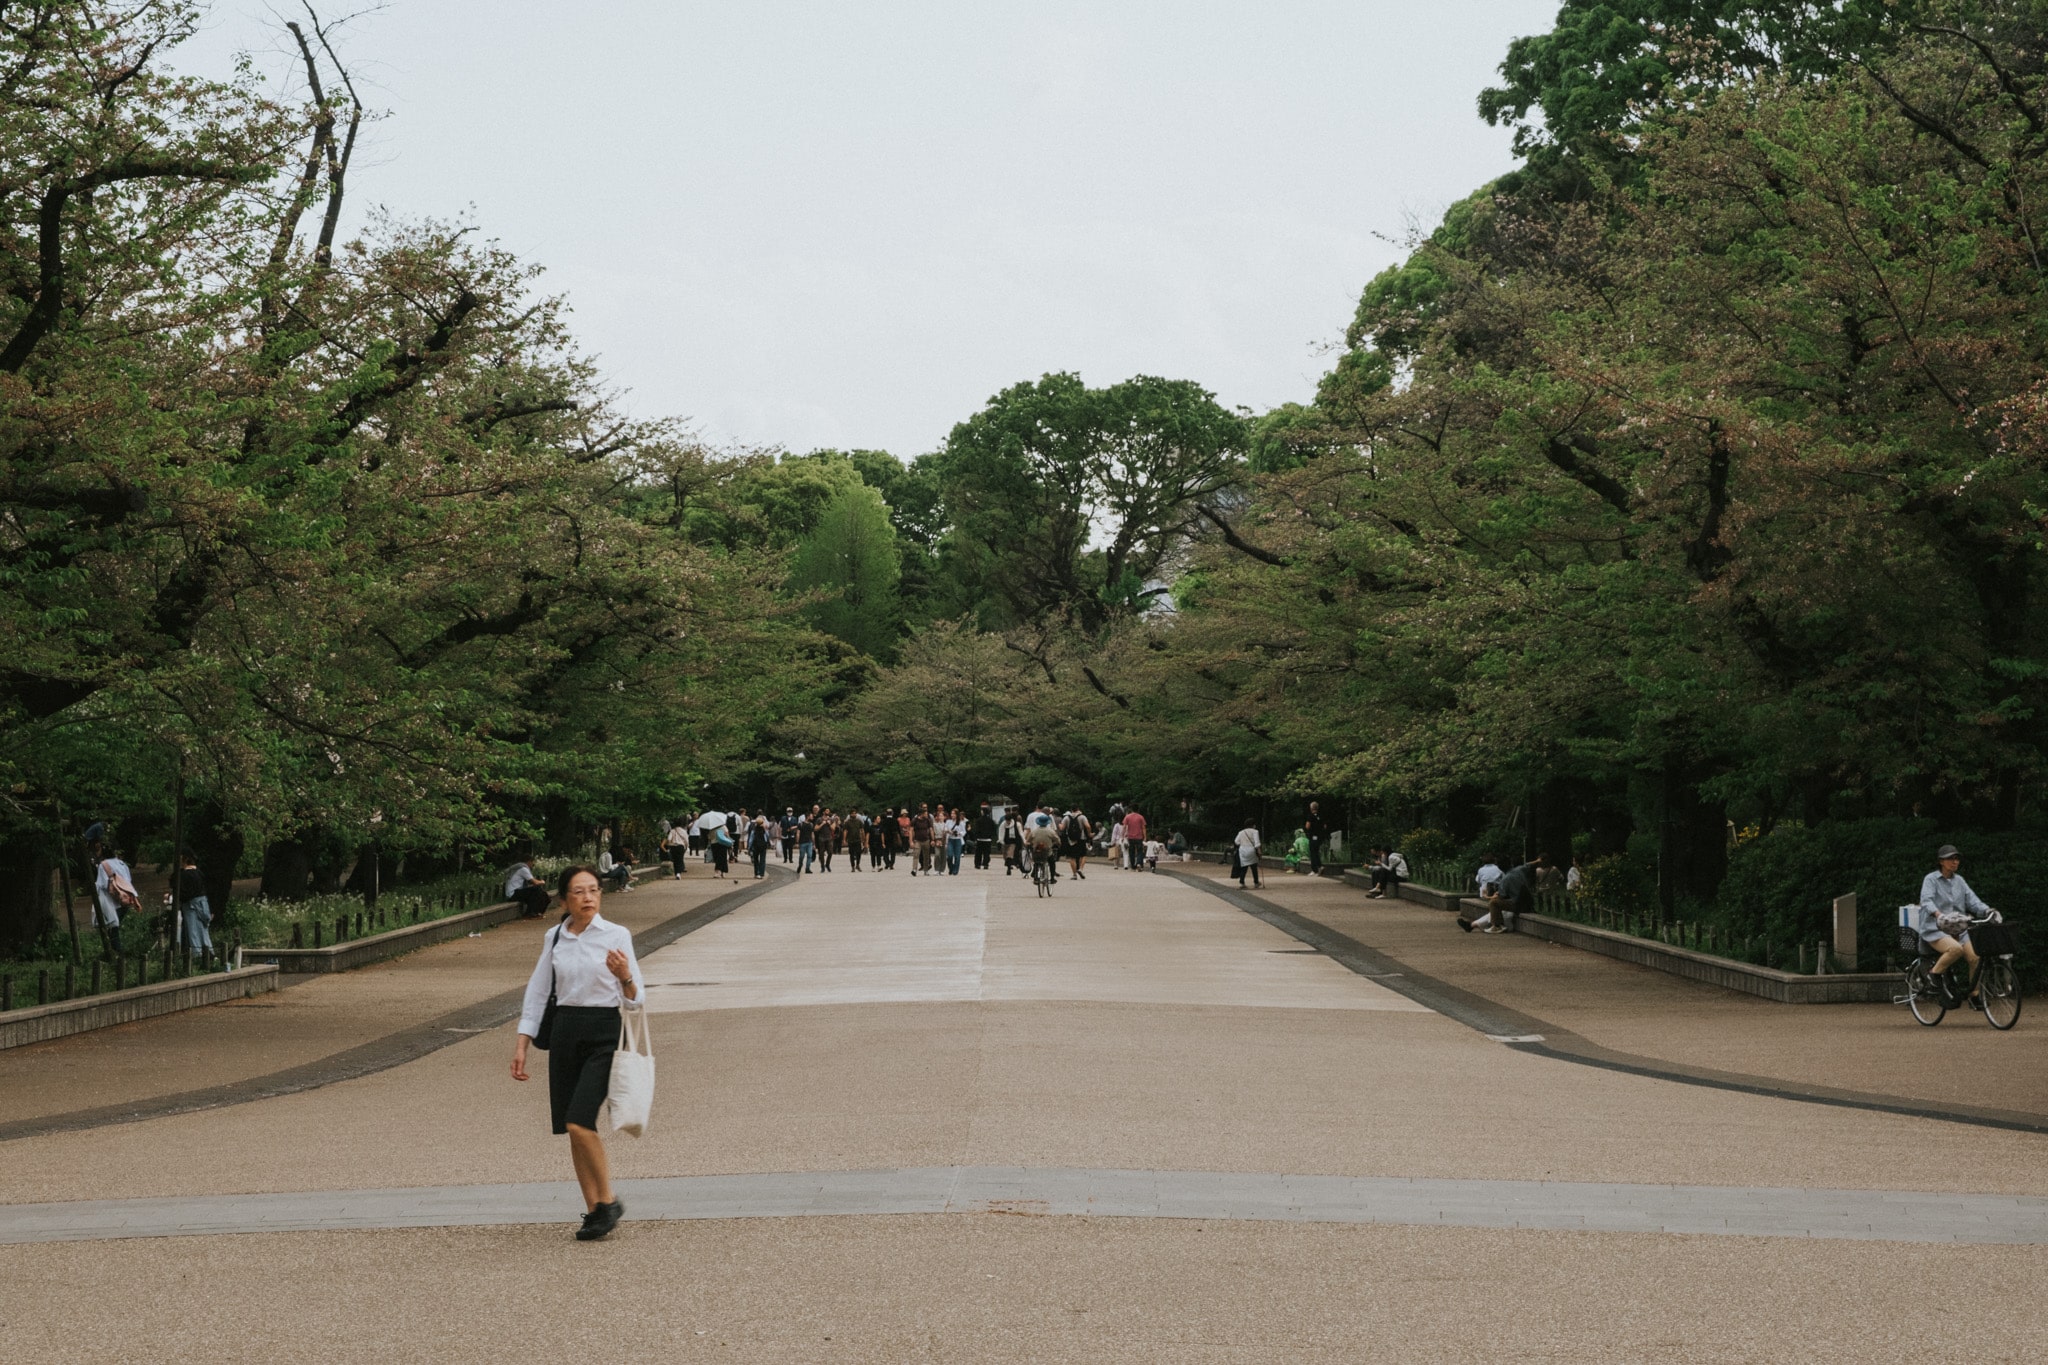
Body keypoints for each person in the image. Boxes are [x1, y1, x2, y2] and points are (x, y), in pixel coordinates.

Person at [510, 865, 644, 1241]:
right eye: (579, 892)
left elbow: (638, 999)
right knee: (572, 1126)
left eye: (593, 890)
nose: (588, 898)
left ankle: (609, 1202)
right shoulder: (554, 937)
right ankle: (593, 1209)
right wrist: (522, 1043)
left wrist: (625, 976)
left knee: (579, 1121)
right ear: (565, 899)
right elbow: (537, 993)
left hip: (604, 1032)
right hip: (566, 1032)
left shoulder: (617, 934)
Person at [1919, 844, 1998, 1001]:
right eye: (1950, 858)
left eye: (1956, 858)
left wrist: (1989, 910)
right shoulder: (1931, 879)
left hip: (1959, 928)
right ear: (1941, 861)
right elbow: (1926, 901)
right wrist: (1938, 914)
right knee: (1955, 949)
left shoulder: (1960, 881)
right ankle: (1933, 974)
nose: (1955, 862)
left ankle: (1974, 994)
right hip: (1936, 928)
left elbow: (1973, 901)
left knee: (1976, 956)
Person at [1461, 854, 1547, 933]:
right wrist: (1538, 860)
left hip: (1518, 905)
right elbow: (1528, 865)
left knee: (1493, 903)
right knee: (1493, 912)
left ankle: (1497, 926)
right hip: (1528, 902)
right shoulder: (1519, 869)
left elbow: (1500, 897)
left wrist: (1488, 896)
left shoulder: (1505, 880)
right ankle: (1471, 925)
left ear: (1499, 867)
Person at [175, 849, 215, 963]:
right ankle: (209, 952)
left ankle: (198, 956)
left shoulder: (184, 875)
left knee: (193, 931)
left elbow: (185, 893)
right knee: (203, 930)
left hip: (191, 906)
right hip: (203, 905)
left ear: (185, 859)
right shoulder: (200, 873)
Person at [1063, 807, 1093, 880]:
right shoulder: (1082, 817)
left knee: (1072, 857)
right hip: (1081, 838)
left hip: (1071, 839)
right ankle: (1080, 869)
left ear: (1071, 810)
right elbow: (1088, 826)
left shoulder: (1067, 818)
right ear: (1078, 809)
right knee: (1083, 855)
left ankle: (1074, 874)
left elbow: (1062, 828)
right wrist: (1089, 834)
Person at [1232, 819, 1263, 888]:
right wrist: (1259, 851)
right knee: (1254, 867)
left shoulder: (1241, 832)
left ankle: (1242, 882)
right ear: (1253, 825)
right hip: (1251, 850)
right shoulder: (1255, 832)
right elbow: (1257, 843)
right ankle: (1256, 882)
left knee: (1244, 867)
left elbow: (1236, 841)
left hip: (1242, 850)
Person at [1302, 802, 1327, 876]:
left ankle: (1315, 869)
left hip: (1313, 837)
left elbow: (1307, 826)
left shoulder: (1310, 816)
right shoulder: (1321, 816)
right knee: (1316, 852)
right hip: (1319, 837)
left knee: (1313, 853)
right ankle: (1320, 866)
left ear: (1311, 808)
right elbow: (1325, 826)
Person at [1000, 809, 1026, 875]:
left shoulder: (1017, 824)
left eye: (1009, 821)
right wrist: (1000, 840)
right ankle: (1011, 865)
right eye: (1006, 821)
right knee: (1005, 856)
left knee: (1010, 855)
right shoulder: (1003, 824)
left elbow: (1021, 833)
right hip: (1005, 842)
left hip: (1014, 842)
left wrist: (1024, 840)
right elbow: (1001, 833)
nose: (1008, 822)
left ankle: (1009, 869)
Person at [911, 804, 936, 875]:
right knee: (916, 854)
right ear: (922, 814)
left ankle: (926, 870)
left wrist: (933, 839)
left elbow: (931, 829)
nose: (927, 814)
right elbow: (911, 830)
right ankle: (914, 869)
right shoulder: (915, 820)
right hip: (917, 840)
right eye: (925, 813)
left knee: (926, 856)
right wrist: (911, 841)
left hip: (926, 840)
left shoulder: (927, 820)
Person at [972, 803, 996, 871]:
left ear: (982, 812)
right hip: (988, 839)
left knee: (978, 853)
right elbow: (993, 830)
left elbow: (976, 830)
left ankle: (978, 864)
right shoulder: (991, 821)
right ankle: (985, 864)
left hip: (980, 839)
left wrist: (976, 837)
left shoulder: (978, 820)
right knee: (986, 853)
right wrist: (991, 836)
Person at [796, 809, 816, 874]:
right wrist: (797, 842)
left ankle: (807, 868)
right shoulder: (801, 824)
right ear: (807, 816)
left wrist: (813, 844)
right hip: (802, 843)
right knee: (801, 856)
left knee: (810, 855)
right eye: (811, 816)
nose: (812, 817)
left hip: (809, 842)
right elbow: (798, 833)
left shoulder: (811, 825)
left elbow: (812, 834)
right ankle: (800, 865)